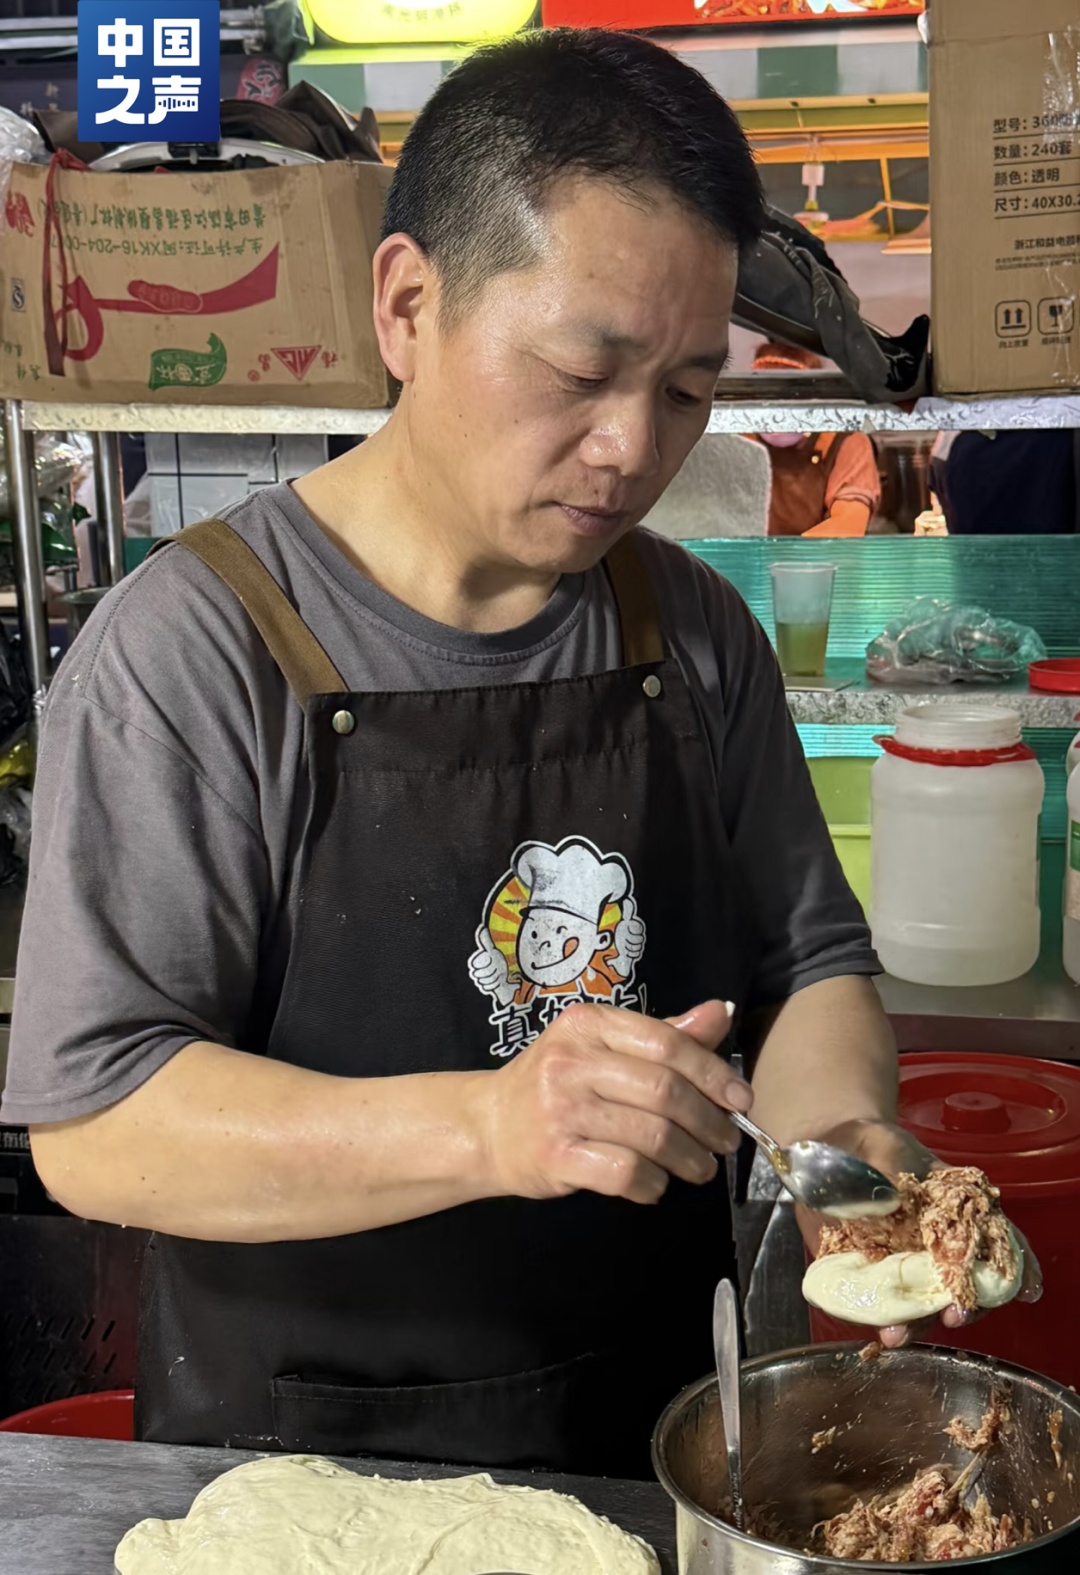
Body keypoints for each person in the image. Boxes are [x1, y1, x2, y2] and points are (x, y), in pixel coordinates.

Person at [2, 29, 1037, 1478]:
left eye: (685, 390)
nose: (630, 448)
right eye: (580, 369)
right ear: (408, 304)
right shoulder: (198, 652)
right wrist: (492, 1125)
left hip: (654, 1433)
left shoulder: (691, 628)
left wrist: (844, 1144)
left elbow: (806, 963)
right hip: (301, 1463)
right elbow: (99, 1120)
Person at [750, 342, 881, 537]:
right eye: (765, 393)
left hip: (825, 555)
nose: (777, 408)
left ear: (814, 398)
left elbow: (849, 523)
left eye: (790, 395)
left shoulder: (845, 441)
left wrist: (788, 555)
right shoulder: (737, 438)